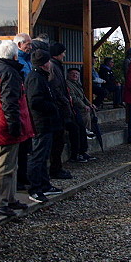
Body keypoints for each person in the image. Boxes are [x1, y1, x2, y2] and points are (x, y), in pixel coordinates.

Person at [0, 41, 34, 216]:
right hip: (6, 124)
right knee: (5, 165)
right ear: (14, 55)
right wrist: (15, 126)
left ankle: (10, 198)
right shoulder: (10, 73)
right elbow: (10, 102)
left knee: (10, 164)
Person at [25, 49, 63, 203]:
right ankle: (34, 189)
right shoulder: (35, 78)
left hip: (47, 122)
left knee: (44, 155)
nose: (50, 64)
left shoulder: (41, 76)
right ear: (43, 64)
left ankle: (44, 185)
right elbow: (35, 101)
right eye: (47, 62)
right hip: (40, 122)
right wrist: (52, 106)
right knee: (38, 156)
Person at [47, 43, 75, 179]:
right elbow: (55, 88)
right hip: (58, 110)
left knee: (59, 141)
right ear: (57, 53)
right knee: (57, 142)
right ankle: (55, 169)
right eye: (63, 52)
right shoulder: (53, 67)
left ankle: (57, 167)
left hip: (60, 108)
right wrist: (64, 101)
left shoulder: (56, 66)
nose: (64, 55)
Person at [13, 32, 33, 189]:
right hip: (22, 104)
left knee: (26, 143)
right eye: (27, 44)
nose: (30, 47)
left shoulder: (28, 61)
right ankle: (18, 179)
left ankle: (24, 175)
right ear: (19, 45)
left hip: (28, 105)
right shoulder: (17, 62)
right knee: (21, 145)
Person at [66, 68, 97, 162]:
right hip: (74, 109)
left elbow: (83, 97)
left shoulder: (77, 84)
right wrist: (84, 106)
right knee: (79, 129)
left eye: (77, 74)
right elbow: (74, 99)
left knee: (83, 127)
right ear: (68, 74)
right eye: (73, 73)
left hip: (79, 108)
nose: (75, 75)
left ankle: (83, 151)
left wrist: (89, 104)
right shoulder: (68, 84)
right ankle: (77, 153)